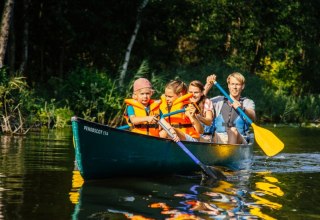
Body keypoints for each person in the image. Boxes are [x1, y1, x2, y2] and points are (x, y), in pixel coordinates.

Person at [204, 72, 255, 144]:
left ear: (242, 86)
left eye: (237, 84)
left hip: (240, 139)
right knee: (210, 136)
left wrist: (242, 108)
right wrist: (208, 85)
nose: (234, 87)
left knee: (233, 130)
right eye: (232, 84)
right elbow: (200, 101)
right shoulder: (218, 100)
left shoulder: (247, 102)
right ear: (228, 85)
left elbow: (253, 115)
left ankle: (230, 153)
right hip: (220, 138)